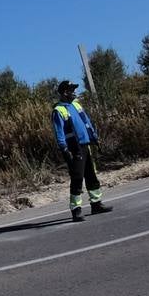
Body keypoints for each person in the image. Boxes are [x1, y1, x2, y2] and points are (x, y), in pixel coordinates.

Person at [51, 80, 111, 222]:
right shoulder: (59, 111)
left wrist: (94, 137)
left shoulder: (76, 105)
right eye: (72, 90)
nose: (74, 92)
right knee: (77, 178)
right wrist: (64, 150)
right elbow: (59, 133)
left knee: (91, 175)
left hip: (85, 145)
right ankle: (76, 210)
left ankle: (96, 204)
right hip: (74, 149)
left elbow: (87, 122)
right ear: (65, 92)